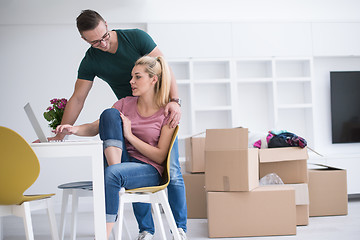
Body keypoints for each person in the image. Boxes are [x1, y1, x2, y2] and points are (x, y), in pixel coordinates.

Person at [52, 9, 187, 240]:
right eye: (95, 42)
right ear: (84, 40)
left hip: (158, 110)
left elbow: (164, 67)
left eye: (104, 37)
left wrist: (174, 101)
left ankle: (180, 228)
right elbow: (78, 97)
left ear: (107, 24)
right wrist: (64, 131)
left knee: (172, 171)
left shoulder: (135, 38)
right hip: (129, 111)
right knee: (128, 163)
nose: (102, 44)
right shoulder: (92, 60)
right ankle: (146, 228)